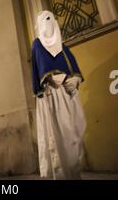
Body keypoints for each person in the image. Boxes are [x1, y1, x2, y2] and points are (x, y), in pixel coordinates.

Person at [31, 11, 86, 180]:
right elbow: (44, 71)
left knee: (75, 133)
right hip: (52, 96)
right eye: (44, 20)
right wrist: (61, 79)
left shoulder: (63, 48)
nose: (48, 23)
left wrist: (75, 79)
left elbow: (73, 68)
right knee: (59, 136)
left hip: (69, 96)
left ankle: (74, 173)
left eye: (50, 19)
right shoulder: (37, 45)